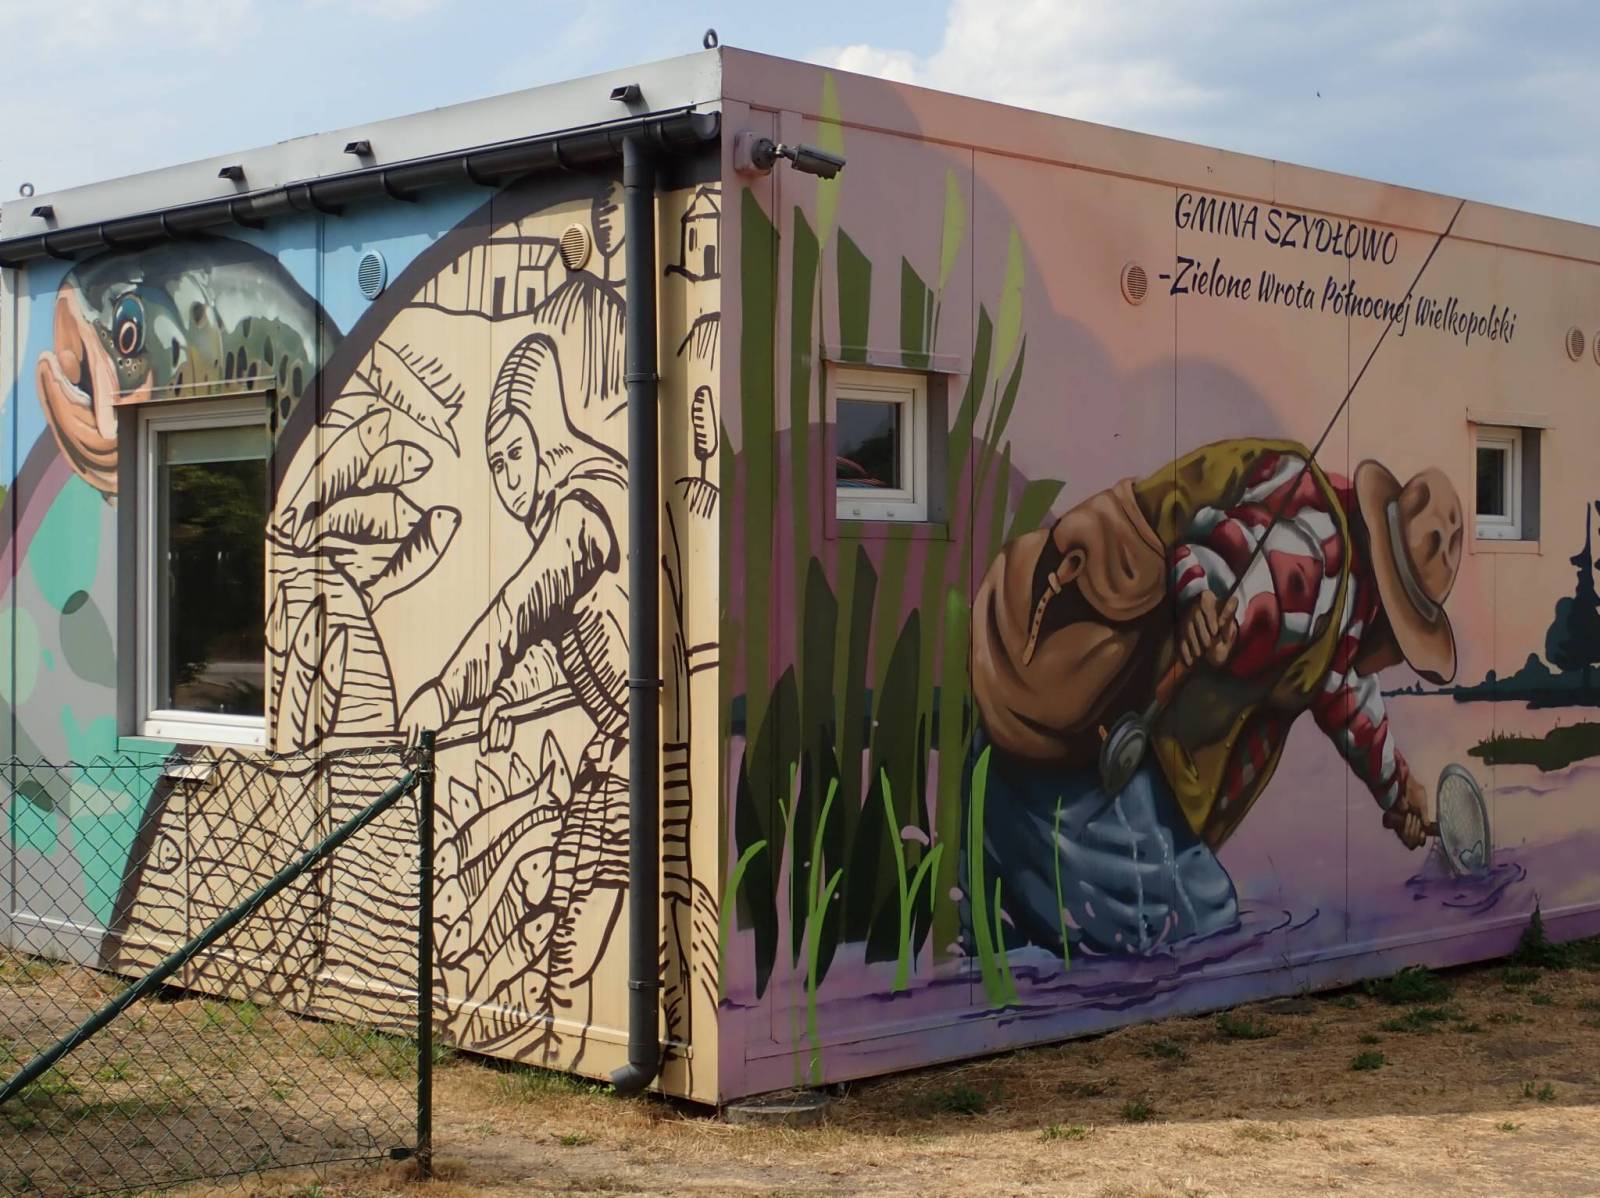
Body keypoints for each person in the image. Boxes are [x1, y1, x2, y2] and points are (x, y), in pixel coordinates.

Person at [969, 438, 1463, 956]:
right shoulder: (1311, 565)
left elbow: (1346, 692)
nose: (1395, 657)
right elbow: (1213, 560)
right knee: (1190, 922)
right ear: (1387, 598)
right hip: (1097, 748)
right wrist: (1202, 599)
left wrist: (1399, 790)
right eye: (1404, 635)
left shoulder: (1335, 564)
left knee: (1193, 911)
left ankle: (1005, 863)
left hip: (1092, 721)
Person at [398, 331, 628, 768]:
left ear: (546, 437)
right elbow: (553, 638)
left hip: (652, 744)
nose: (510, 480)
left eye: (517, 452)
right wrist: (507, 694)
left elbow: (518, 610)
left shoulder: (587, 504)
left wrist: (446, 695)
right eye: (498, 463)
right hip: (620, 737)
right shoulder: (563, 511)